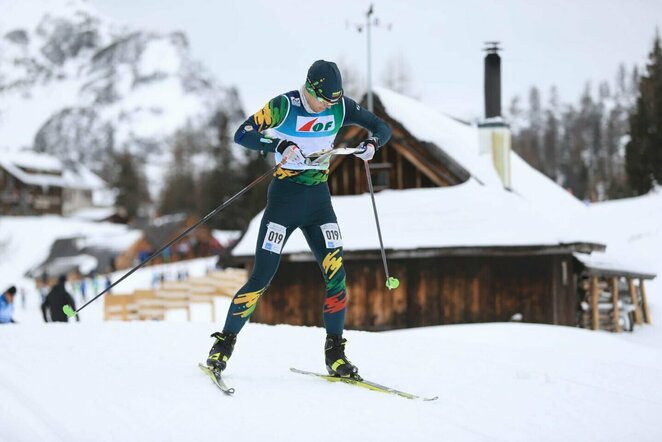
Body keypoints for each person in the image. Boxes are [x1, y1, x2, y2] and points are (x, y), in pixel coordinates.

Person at [205, 60, 392, 379]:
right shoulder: (283, 106)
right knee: (261, 277)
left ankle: (335, 353)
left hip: (319, 202)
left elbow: (381, 127)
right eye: (323, 101)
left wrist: (371, 145)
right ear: (310, 88)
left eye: (334, 102)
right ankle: (223, 345)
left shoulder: (340, 106)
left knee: (337, 274)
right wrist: (277, 144)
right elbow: (243, 133)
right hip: (283, 201)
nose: (327, 108)